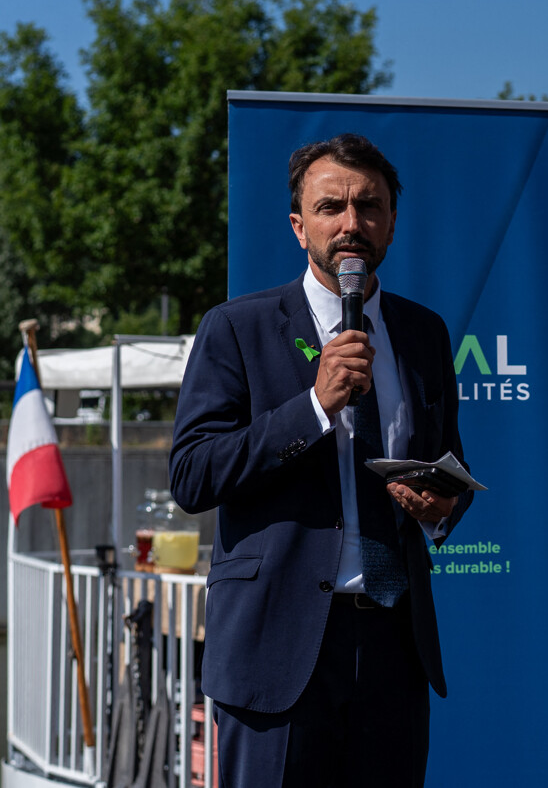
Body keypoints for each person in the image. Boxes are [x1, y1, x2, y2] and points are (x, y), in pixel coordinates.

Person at [170, 133, 473, 787]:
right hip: (276, 647)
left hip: (394, 645)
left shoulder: (424, 333)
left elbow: (448, 466)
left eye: (369, 206)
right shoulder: (237, 327)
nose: (351, 223)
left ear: (392, 222)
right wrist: (314, 405)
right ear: (298, 225)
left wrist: (440, 508)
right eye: (331, 206)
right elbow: (192, 474)